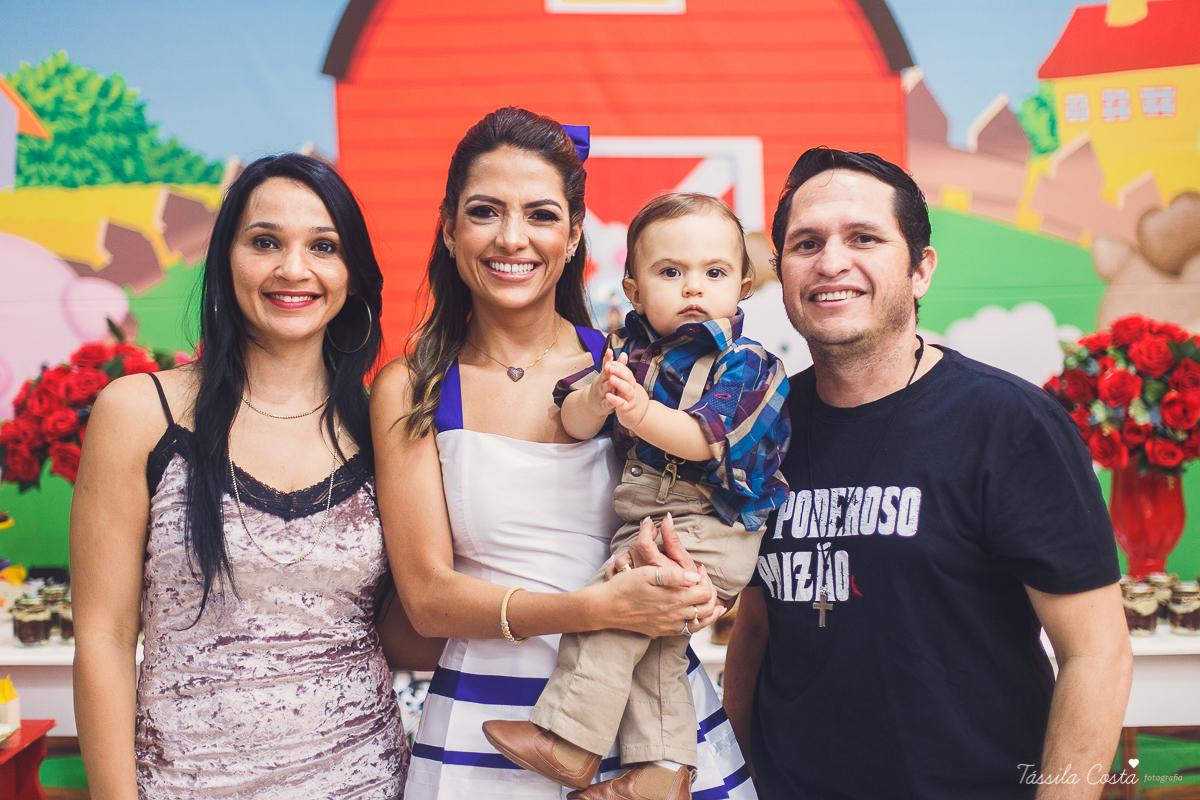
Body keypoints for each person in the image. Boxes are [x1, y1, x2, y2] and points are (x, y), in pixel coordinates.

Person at [721, 148, 1134, 799]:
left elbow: (1097, 653)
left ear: (920, 270)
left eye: (864, 237)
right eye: (807, 243)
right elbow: (757, 627)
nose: (831, 261)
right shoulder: (758, 427)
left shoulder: (1010, 424)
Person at [370, 107, 757, 800]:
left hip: (648, 731)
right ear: (449, 226)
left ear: (574, 234)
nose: (512, 238)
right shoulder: (415, 386)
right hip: (485, 731)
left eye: (542, 215)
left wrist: (697, 588)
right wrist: (596, 610)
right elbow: (427, 601)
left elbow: (703, 507)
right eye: (485, 211)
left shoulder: (633, 368)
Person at [71, 154, 441, 799]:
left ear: (352, 274)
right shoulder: (138, 413)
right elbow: (103, 638)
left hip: (365, 782)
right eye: (265, 241)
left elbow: (409, 621)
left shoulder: (388, 424)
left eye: (323, 246)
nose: (293, 269)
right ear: (226, 260)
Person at [482, 193, 790, 800]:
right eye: (670, 272)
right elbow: (571, 420)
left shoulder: (749, 365)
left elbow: (704, 439)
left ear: (744, 285)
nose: (693, 287)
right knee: (656, 646)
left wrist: (640, 410)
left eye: (715, 273)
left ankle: (570, 740)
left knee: (617, 613)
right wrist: (597, 399)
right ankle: (660, 774)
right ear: (634, 287)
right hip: (646, 519)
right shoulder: (625, 354)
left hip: (711, 524)